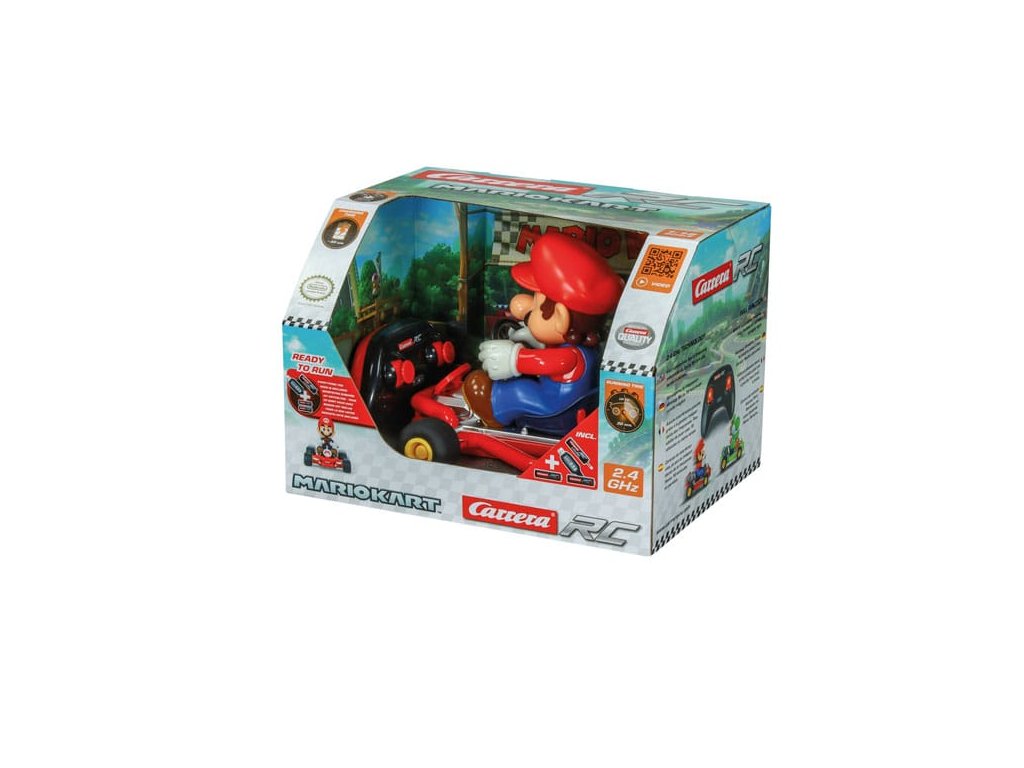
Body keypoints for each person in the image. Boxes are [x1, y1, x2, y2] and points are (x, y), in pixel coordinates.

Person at [463, 232, 624, 430]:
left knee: (518, 390)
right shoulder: (586, 349)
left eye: (537, 303)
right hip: (561, 404)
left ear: (561, 318)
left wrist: (514, 357)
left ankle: (493, 411)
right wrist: (531, 340)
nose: (522, 307)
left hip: (554, 409)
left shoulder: (570, 357)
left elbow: (540, 363)